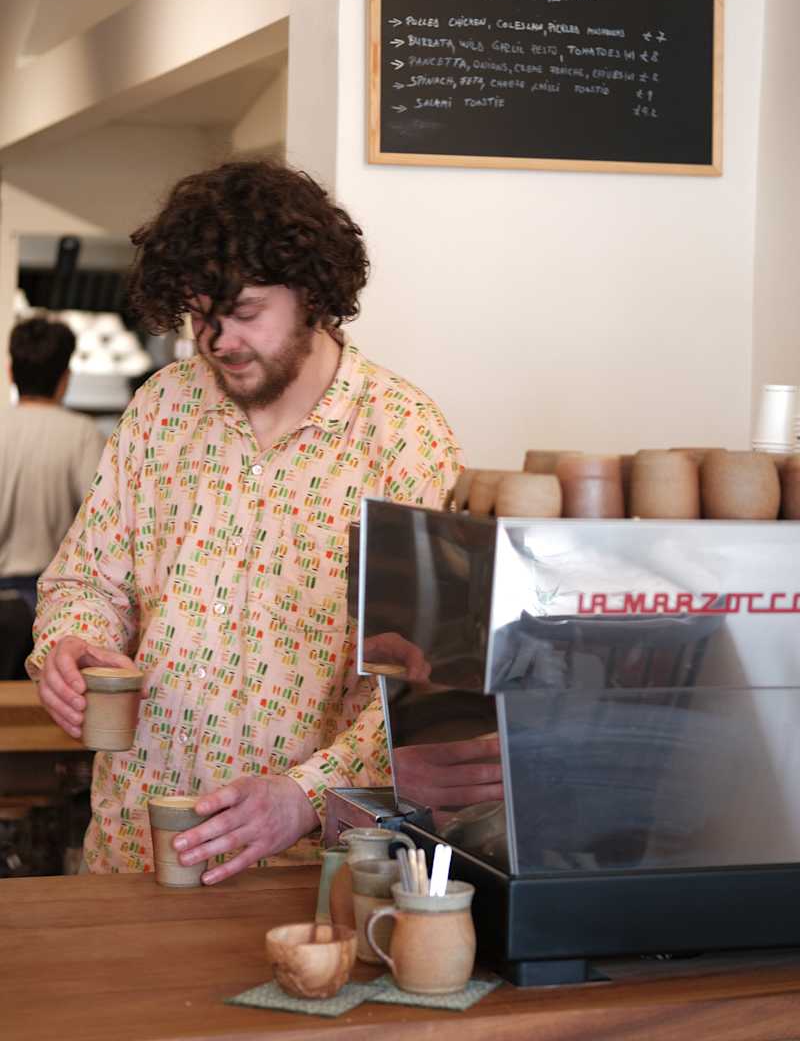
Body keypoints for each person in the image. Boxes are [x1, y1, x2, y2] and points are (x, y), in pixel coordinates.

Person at [26, 158, 497, 881]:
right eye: (200, 317)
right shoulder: (161, 409)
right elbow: (85, 582)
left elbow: (428, 692)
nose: (218, 342)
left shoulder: (404, 438)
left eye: (244, 314)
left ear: (313, 291)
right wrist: (73, 644)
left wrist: (306, 795)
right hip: (133, 850)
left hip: (308, 877)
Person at [0, 316, 105, 617]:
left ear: (10, 371)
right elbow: (100, 523)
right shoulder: (83, 434)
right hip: (47, 602)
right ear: (65, 377)